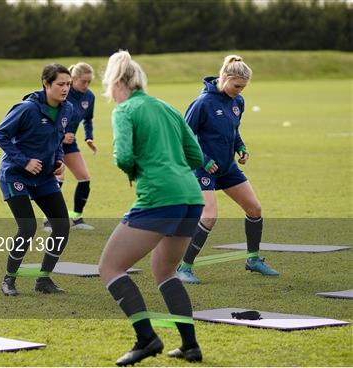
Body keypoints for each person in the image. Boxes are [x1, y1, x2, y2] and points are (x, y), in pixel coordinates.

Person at [98, 51, 205, 366]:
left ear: (117, 83)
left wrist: (135, 170)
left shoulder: (125, 109)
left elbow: (123, 156)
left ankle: (147, 339)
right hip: (191, 197)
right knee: (165, 272)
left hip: (159, 197)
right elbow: (196, 155)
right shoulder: (168, 107)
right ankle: (190, 346)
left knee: (110, 268)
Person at [176, 55, 279, 284]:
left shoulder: (237, 101)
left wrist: (240, 147)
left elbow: (233, 130)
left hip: (227, 167)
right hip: (203, 169)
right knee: (210, 216)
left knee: (254, 208)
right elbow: (183, 137)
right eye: (236, 86)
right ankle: (184, 267)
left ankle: (253, 259)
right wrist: (202, 160)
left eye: (243, 87)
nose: (239, 91)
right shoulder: (202, 103)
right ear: (224, 78)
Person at [0, 64, 72, 297]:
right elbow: (0, 134)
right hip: (15, 174)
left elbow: (58, 141)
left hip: (44, 177)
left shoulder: (68, 109)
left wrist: (58, 161)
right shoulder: (26, 109)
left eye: (68, 84)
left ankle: (43, 279)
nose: (65, 88)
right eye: (60, 84)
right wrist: (24, 161)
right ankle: (9, 279)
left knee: (61, 226)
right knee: (28, 227)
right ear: (46, 84)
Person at [46, 62, 97, 231]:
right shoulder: (62, 94)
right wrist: (62, 135)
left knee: (84, 178)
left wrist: (89, 138)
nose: (86, 85)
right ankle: (49, 220)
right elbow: (49, 120)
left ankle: (76, 218)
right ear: (74, 79)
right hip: (53, 143)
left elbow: (88, 119)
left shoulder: (89, 97)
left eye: (89, 82)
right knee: (57, 180)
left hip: (70, 144)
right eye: (84, 81)